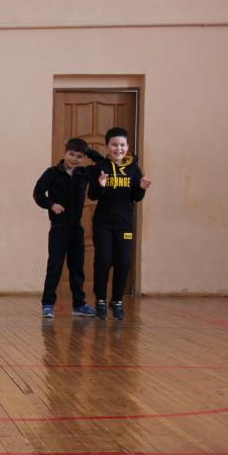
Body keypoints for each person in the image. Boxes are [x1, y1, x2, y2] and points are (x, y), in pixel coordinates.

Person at [87, 127, 151, 321]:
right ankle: (100, 300)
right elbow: (92, 195)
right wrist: (100, 185)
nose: (118, 148)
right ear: (107, 147)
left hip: (125, 225)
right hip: (103, 224)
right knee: (104, 261)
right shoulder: (100, 166)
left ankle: (117, 301)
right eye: (114, 145)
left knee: (123, 263)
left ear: (127, 147)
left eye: (122, 145)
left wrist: (142, 188)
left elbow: (136, 197)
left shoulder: (134, 169)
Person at [32, 138, 96, 318]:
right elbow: (38, 193)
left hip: (77, 229)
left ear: (84, 158)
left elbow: (102, 164)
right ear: (65, 153)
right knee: (55, 266)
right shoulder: (52, 173)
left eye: (79, 156)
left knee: (77, 268)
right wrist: (51, 205)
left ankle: (79, 304)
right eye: (71, 154)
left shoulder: (84, 173)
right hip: (59, 228)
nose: (74, 159)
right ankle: (48, 304)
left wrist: (89, 151)